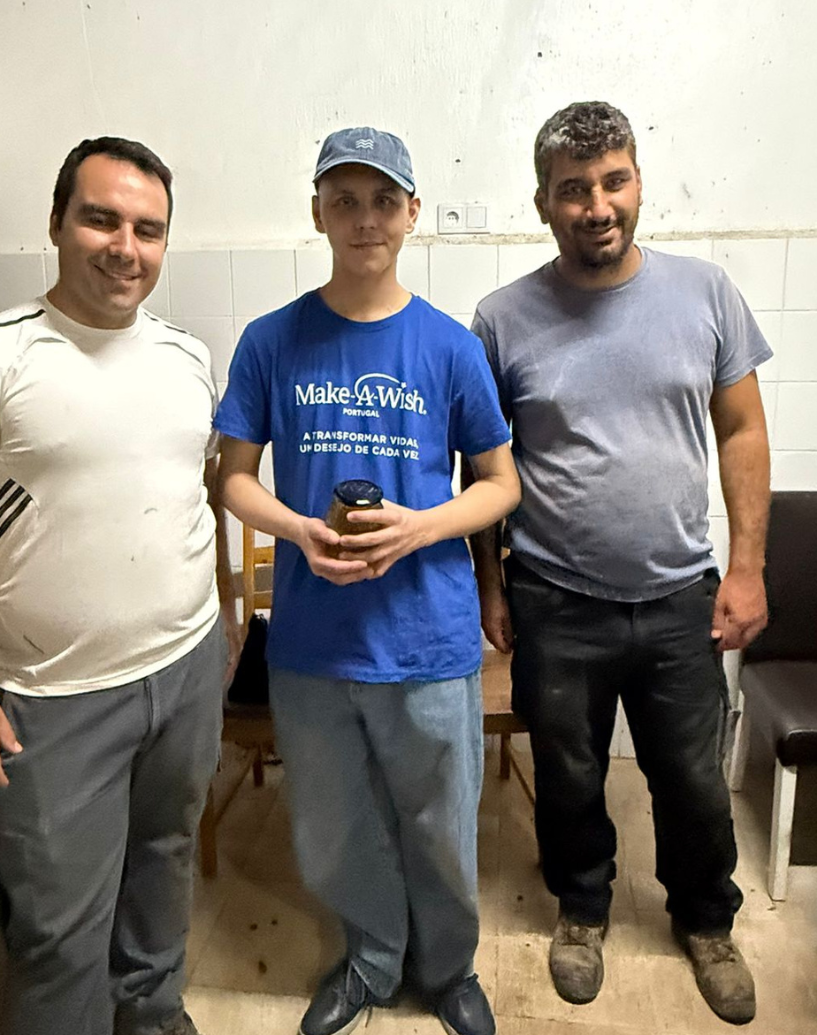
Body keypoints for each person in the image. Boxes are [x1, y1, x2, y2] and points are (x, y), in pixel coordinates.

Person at [0, 137, 239, 1035]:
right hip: (54, 701)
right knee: (59, 932)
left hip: (185, 671)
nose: (125, 247)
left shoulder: (186, 356)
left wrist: (223, 622)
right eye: (101, 220)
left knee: (162, 866)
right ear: (56, 223)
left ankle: (152, 1016)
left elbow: (194, 497)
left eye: (148, 230)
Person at [470, 101, 771, 1026]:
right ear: (543, 202)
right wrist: (491, 585)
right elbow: (482, 465)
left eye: (613, 182)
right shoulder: (501, 320)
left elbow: (742, 429)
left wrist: (748, 568)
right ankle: (582, 909)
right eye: (574, 189)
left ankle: (707, 921)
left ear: (639, 183)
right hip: (555, 598)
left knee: (691, 779)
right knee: (568, 775)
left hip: (681, 595)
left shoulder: (706, 293)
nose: (597, 206)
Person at [215, 127, 520, 1035]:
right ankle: (371, 959)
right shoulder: (272, 341)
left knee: (440, 824)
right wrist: (297, 530)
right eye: (343, 201)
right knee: (335, 827)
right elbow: (231, 477)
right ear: (317, 213)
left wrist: (421, 526)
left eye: (384, 201)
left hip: (427, 636)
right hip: (314, 641)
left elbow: (501, 483)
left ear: (413, 213)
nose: (365, 220)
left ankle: (450, 969)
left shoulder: (449, 347)